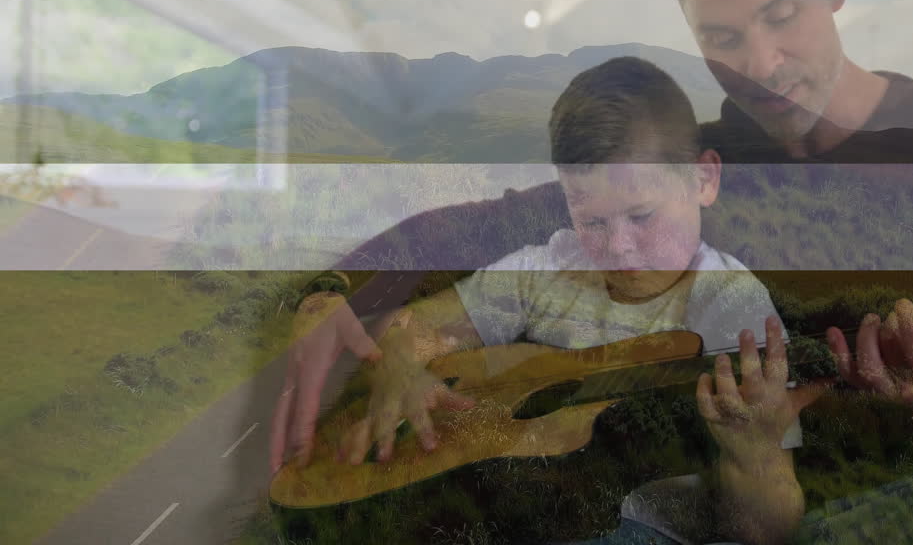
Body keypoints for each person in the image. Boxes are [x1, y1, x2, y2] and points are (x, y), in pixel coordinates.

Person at [272, 0, 913, 543]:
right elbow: (487, 226)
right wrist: (327, 296)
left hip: (895, 509)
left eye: (783, 15)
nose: (761, 64)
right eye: (721, 38)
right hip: (710, 513)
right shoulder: (690, 166)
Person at [303, 57, 821, 544]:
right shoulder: (548, 269)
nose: (618, 247)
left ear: (703, 180)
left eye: (641, 216)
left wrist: (756, 455)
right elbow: (421, 326)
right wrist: (399, 358)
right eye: (592, 221)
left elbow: (768, 527)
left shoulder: (732, 305)